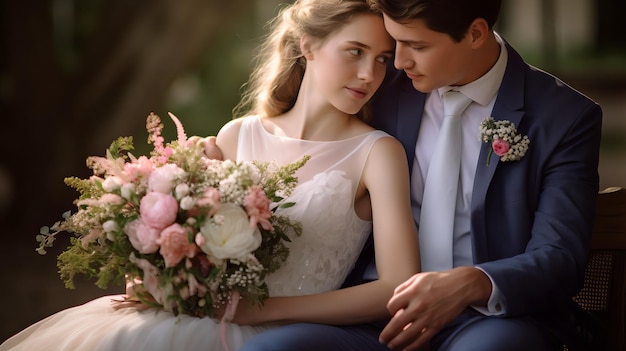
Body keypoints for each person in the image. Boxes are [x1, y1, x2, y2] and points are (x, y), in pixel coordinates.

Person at [0, 1, 420, 350]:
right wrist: (156, 274)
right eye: (355, 51)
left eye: (382, 60)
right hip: (190, 321)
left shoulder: (377, 154)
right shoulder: (237, 135)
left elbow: (397, 285)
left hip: (285, 336)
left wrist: (263, 311)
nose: (370, 74)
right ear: (308, 45)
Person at [239, 0, 603, 351]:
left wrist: (472, 283)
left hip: (488, 320)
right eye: (394, 43)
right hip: (373, 319)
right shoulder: (381, 80)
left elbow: (559, 256)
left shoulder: (562, 118)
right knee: (273, 347)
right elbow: (308, 140)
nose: (396, 60)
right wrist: (219, 163)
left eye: (415, 45)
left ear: (476, 33)